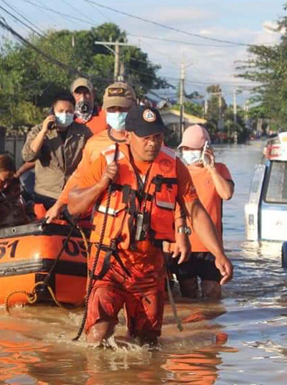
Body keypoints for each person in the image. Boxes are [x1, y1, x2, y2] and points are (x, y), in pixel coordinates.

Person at [68, 105, 233, 345]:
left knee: (146, 343)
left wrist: (219, 254)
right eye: (146, 137)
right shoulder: (107, 161)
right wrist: (102, 183)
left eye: (158, 136)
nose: (153, 143)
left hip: (149, 267)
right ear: (128, 135)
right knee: (99, 334)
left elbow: (195, 211)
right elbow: (74, 206)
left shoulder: (174, 166)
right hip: (109, 264)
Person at [45, 81, 136, 221]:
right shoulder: (94, 143)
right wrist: (58, 205)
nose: (117, 114)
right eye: (112, 109)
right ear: (105, 110)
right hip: (104, 222)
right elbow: (79, 176)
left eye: (123, 109)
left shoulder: (148, 142)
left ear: (134, 108)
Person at [166, 125, 234, 300]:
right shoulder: (178, 171)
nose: (189, 152)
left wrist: (211, 168)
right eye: (186, 149)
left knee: (213, 295)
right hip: (183, 245)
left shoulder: (220, 169)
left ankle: (211, 326)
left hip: (211, 247)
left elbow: (226, 194)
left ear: (205, 149)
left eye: (193, 148)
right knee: (189, 295)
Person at [21, 93, 92, 210]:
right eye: (61, 111)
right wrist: (44, 131)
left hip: (72, 193)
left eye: (69, 111)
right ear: (53, 111)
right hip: (46, 194)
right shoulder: (38, 131)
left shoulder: (83, 131)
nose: (65, 114)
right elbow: (28, 156)